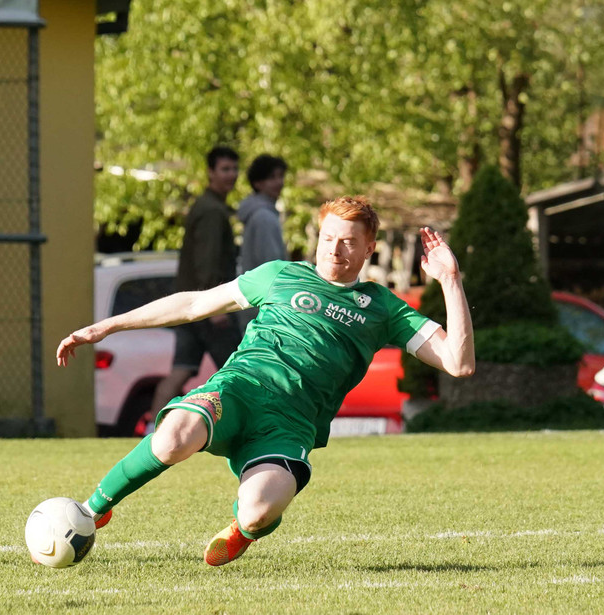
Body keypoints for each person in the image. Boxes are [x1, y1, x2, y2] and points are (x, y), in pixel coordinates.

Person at [56, 196, 474, 566]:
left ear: (369, 248)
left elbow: (459, 363)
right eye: (328, 237)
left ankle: (243, 531)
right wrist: (106, 327)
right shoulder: (279, 275)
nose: (335, 249)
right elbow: (195, 304)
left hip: (290, 425)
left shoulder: (383, 308)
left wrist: (450, 280)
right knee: (172, 438)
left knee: (258, 511)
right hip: (238, 390)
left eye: (348, 241)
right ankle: (91, 511)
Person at [148, 146, 244, 420]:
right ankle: (246, 431)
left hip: (191, 307)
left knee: (181, 370)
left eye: (234, 169)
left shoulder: (209, 206)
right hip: (208, 307)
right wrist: (216, 310)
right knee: (239, 369)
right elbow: (207, 261)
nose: (231, 175)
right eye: (225, 169)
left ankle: (153, 430)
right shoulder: (212, 211)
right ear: (211, 172)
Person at [235, 154, 289, 332]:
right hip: (266, 308)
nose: (279, 182)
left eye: (280, 176)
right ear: (258, 183)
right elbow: (272, 266)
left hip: (255, 302)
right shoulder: (263, 217)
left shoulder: (260, 213)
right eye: (272, 177)